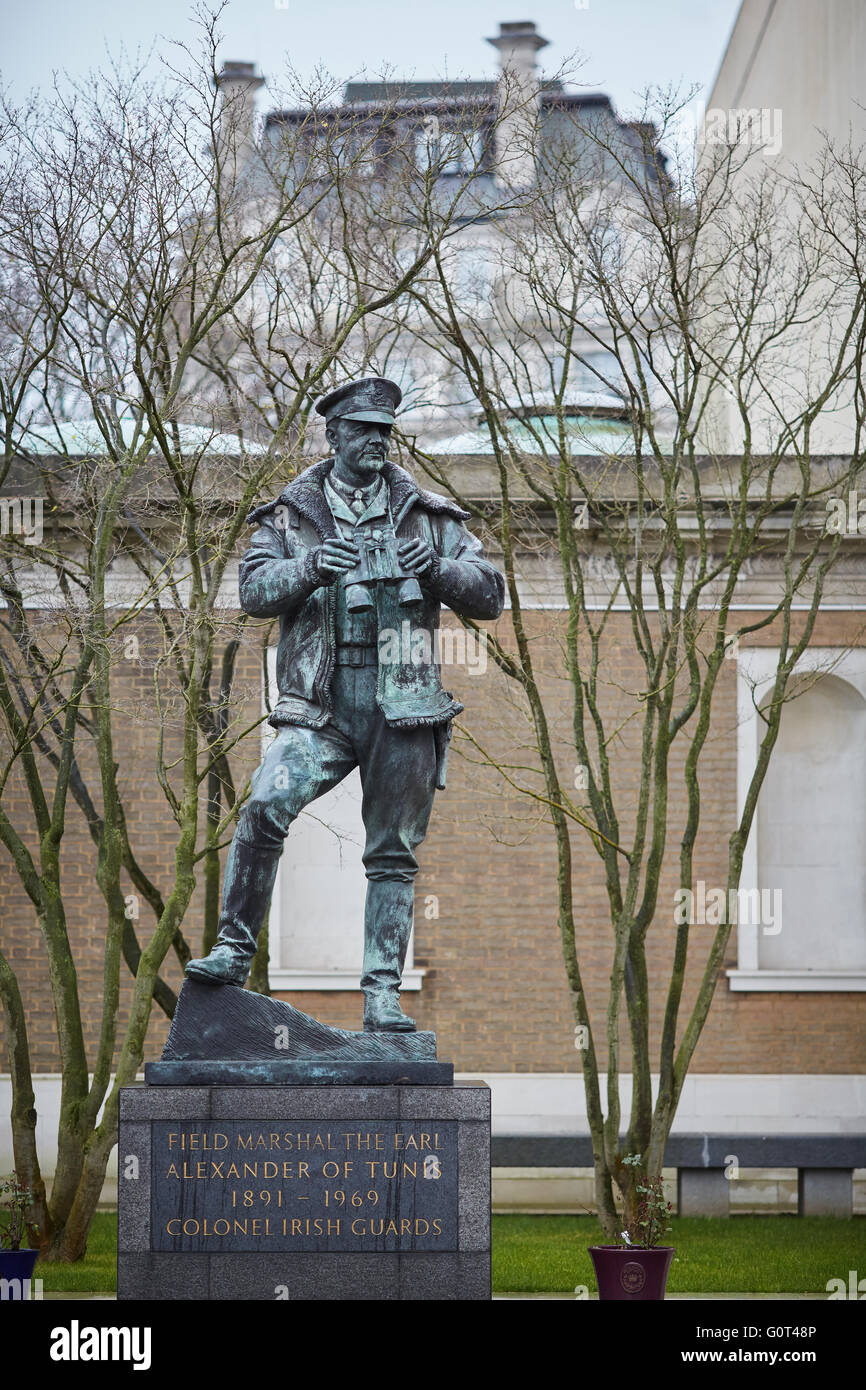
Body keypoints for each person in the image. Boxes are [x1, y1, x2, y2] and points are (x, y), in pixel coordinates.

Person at [185, 376, 505, 1030]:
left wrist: (437, 570)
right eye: (363, 431)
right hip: (321, 704)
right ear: (333, 435)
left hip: (404, 704)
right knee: (266, 804)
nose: (377, 444)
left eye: (385, 432)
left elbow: (489, 593)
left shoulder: (426, 514)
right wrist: (310, 568)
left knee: (392, 853)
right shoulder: (289, 515)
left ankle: (382, 996)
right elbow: (252, 590)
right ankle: (233, 950)